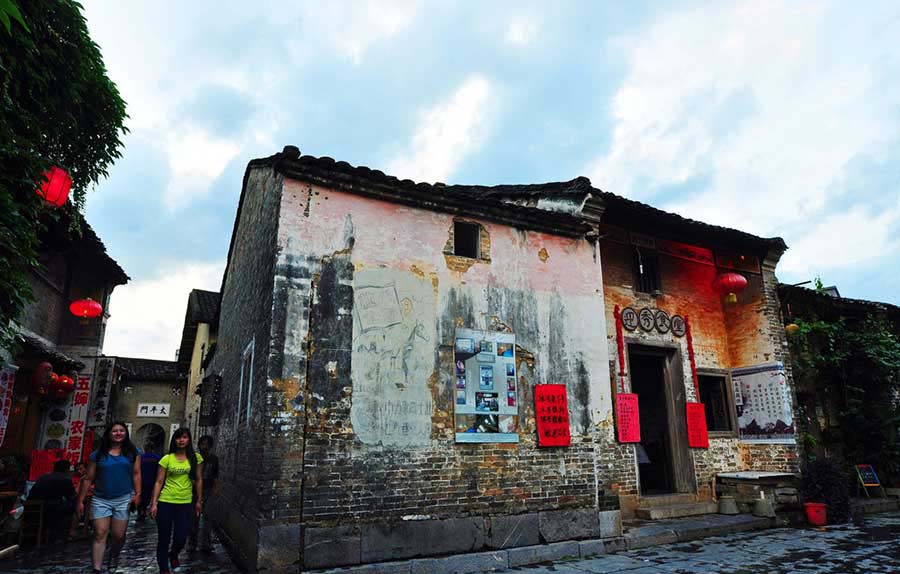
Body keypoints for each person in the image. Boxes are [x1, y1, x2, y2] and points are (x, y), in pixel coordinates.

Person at [76, 422, 141, 574]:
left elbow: (136, 473)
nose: (118, 433)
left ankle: (114, 554)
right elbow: (88, 478)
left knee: (118, 536)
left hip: (123, 498)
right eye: (114, 431)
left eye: (121, 431)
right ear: (109, 434)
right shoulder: (97, 454)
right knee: (100, 533)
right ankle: (96, 569)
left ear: (126, 433)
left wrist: (138, 494)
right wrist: (80, 500)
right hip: (101, 499)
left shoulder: (133, 452)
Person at [151, 428, 203, 574]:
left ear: (189, 439)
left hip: (185, 503)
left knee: (181, 537)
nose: (181, 440)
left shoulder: (196, 458)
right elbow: (159, 482)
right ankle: (164, 569)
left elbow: (199, 479)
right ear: (174, 440)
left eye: (184, 437)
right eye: (178, 438)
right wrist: (154, 503)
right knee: (164, 538)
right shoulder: (167, 459)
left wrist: (199, 500)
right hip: (166, 501)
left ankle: (173, 554)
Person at [27, 459, 76, 543]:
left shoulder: (43, 477)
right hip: (53, 509)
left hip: (35, 508)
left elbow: (33, 493)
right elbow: (71, 496)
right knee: (73, 506)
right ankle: (67, 534)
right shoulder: (65, 479)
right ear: (66, 470)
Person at [188, 435, 218, 552]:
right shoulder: (193, 458)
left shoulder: (214, 459)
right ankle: (192, 543)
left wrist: (215, 490)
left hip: (208, 491)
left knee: (208, 518)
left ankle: (206, 543)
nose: (205, 447)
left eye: (207, 444)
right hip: (194, 492)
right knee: (193, 518)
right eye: (203, 444)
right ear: (199, 445)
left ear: (210, 446)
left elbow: (215, 476)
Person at [137, 442, 161, 521]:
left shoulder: (141, 457)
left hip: (141, 480)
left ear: (145, 449)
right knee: (147, 497)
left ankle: (141, 511)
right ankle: (144, 509)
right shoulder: (157, 458)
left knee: (140, 495)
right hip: (152, 481)